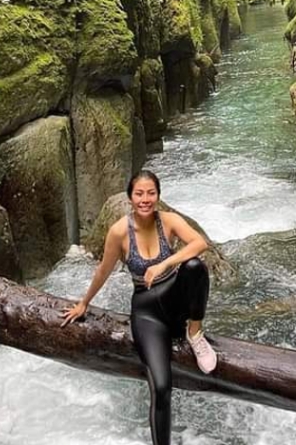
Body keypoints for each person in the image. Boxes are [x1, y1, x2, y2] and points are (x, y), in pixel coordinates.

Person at [61, 170, 217, 445]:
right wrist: (84, 302)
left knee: (194, 267)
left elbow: (200, 243)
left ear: (158, 195)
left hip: (175, 302)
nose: (145, 199)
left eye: (151, 193)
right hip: (147, 313)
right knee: (160, 387)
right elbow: (103, 270)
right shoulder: (119, 231)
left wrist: (166, 263)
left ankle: (195, 333)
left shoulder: (168, 221)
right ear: (130, 197)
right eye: (139, 194)